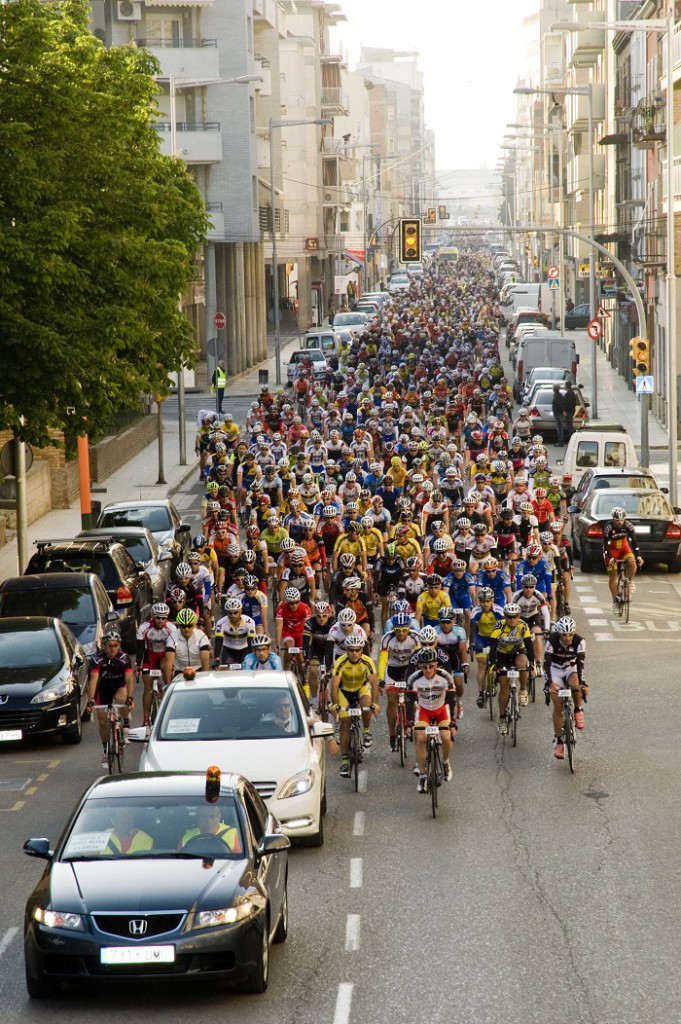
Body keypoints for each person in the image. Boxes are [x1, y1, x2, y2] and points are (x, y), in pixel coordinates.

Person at [407, 647, 455, 792]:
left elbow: (452, 699)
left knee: (446, 737)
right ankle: (422, 776)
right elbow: (409, 701)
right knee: (420, 738)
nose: (428, 670)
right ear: (419, 666)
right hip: (424, 711)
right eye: (424, 667)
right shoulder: (414, 678)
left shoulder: (445, 677)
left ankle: (445, 762)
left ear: (436, 665)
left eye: (431, 666)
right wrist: (409, 723)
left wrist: (452, 722)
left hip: (441, 710)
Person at [84, 633, 135, 769]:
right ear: (104, 647)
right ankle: (106, 751)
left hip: (119, 686)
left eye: (116, 646)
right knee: (102, 720)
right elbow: (93, 679)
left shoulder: (124, 658)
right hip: (103, 689)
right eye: (110, 646)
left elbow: (129, 678)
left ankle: (125, 725)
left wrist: (130, 698)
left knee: (122, 697)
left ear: (119, 646)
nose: (113, 649)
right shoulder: (97, 659)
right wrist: (91, 699)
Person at [331, 634, 379, 775]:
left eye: (357, 650)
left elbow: (374, 684)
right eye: (351, 650)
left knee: (366, 703)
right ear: (346, 650)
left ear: (361, 650)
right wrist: (335, 705)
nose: (354, 653)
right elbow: (334, 686)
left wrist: (375, 704)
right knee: (345, 723)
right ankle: (345, 760)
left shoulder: (367, 662)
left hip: (360, 689)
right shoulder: (340, 662)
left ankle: (366, 730)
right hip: (344, 691)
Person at [544, 616, 587, 760]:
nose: (568, 638)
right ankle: (559, 741)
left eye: (570, 635)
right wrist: (549, 683)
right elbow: (546, 664)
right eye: (564, 635)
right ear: (559, 633)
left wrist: (582, 683)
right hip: (555, 670)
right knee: (558, 703)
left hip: (570, 668)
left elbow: (580, 664)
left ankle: (578, 709)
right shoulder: (552, 641)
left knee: (575, 685)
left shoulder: (579, 641)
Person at [601, 505, 643, 608]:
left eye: (621, 520)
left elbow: (634, 541)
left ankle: (630, 582)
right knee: (613, 575)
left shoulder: (628, 525)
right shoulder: (608, 527)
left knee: (632, 563)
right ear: (613, 520)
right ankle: (615, 600)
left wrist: (638, 556)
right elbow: (605, 545)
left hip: (623, 546)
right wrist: (610, 557)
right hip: (611, 549)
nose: (620, 523)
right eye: (617, 521)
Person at [163, 608, 212, 684]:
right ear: (179, 625)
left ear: (195, 624)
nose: (186, 629)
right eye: (183, 626)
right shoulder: (172, 638)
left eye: (189, 626)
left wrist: (204, 681)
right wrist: (167, 685)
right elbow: (168, 662)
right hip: (180, 671)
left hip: (198, 669)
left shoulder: (201, 636)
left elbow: (205, 661)